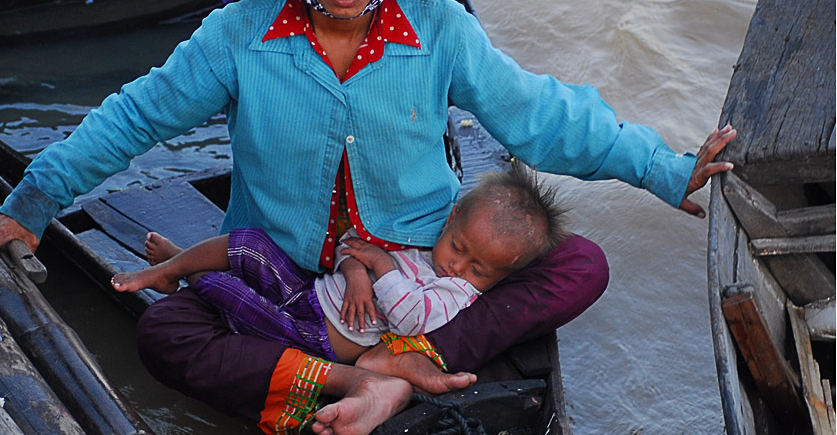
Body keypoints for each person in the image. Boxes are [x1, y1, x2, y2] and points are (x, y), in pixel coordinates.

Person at [0, 0, 735, 435]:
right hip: (291, 276)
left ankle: (407, 364)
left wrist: (663, 169)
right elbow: (134, 118)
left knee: (581, 262)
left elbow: (543, 117)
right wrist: (32, 203)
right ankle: (360, 376)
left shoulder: (440, 30)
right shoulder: (238, 34)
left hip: (420, 270)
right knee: (165, 335)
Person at [111, 165, 566, 367]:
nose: (458, 267)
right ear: (449, 222)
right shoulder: (421, 244)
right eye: (459, 247)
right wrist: (355, 274)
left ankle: (188, 271)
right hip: (310, 295)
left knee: (230, 294)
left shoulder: (457, 294)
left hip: (314, 338)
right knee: (249, 244)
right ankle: (170, 268)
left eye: (481, 269)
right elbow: (351, 245)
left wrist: (381, 270)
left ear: (502, 277)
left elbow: (411, 321)